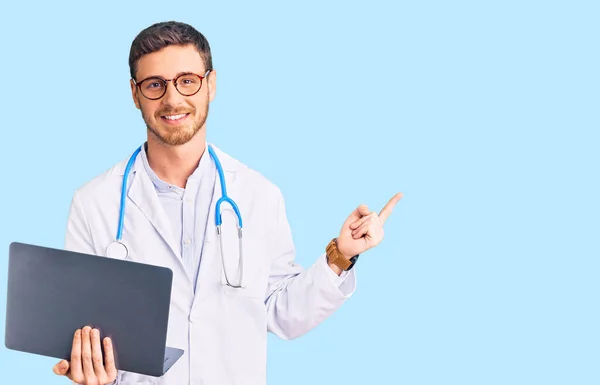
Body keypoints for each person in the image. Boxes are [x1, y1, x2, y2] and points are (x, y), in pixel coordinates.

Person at [51, 21, 402, 385]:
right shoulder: (94, 202)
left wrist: (340, 256)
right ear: (134, 94)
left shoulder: (258, 194)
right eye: (155, 85)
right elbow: (83, 331)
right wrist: (84, 367)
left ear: (211, 84)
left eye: (187, 80)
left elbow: (281, 314)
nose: (172, 99)